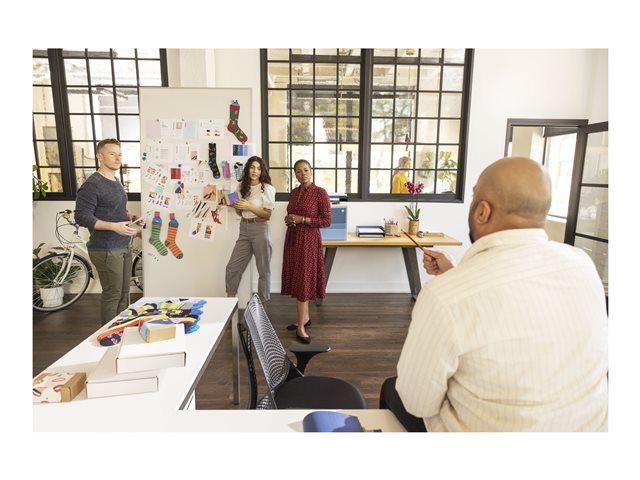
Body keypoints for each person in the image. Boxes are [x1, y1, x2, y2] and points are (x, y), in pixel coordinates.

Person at [380, 157, 608, 431]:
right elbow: (518, 294)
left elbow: (417, 403)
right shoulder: (583, 264)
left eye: (473, 196)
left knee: (392, 389)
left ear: (483, 212)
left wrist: (455, 281)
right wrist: (455, 273)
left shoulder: (445, 297)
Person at [75, 138, 142, 325]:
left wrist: (131, 216)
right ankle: (108, 334)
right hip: (105, 249)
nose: (118, 158)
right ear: (100, 156)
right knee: (113, 294)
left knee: (124, 293)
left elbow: (114, 210)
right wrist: (114, 226)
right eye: (112, 154)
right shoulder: (92, 184)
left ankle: (120, 329)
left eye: (119, 154)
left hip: (123, 245)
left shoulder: (115, 181)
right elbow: (82, 217)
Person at [281, 159, 331, 343]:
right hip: (293, 239)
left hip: (309, 241)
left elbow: (326, 221)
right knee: (298, 278)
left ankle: (301, 327)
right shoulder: (294, 192)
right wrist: (289, 219)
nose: (303, 174)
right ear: (295, 174)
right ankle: (305, 318)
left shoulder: (320, 193)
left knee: (304, 281)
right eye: (298, 171)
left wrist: (302, 220)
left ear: (311, 171)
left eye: (305, 170)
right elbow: (291, 214)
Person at [225, 156, 276, 302]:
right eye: (252, 167)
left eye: (258, 168)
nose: (255, 171)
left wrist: (249, 206)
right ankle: (230, 301)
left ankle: (262, 305)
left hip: (260, 229)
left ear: (262, 171)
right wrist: (235, 206)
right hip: (244, 228)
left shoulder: (267, 188)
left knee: (263, 270)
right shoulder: (241, 186)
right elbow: (239, 212)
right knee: (232, 267)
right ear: (247, 169)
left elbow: (267, 215)